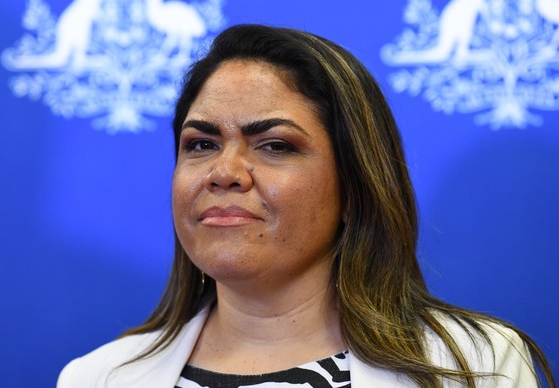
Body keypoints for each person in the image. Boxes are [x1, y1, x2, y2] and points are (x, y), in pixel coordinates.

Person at [57, 24, 555, 388]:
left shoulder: (474, 365)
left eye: (274, 145)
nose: (224, 171)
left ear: (355, 184)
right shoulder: (96, 377)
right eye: (201, 144)